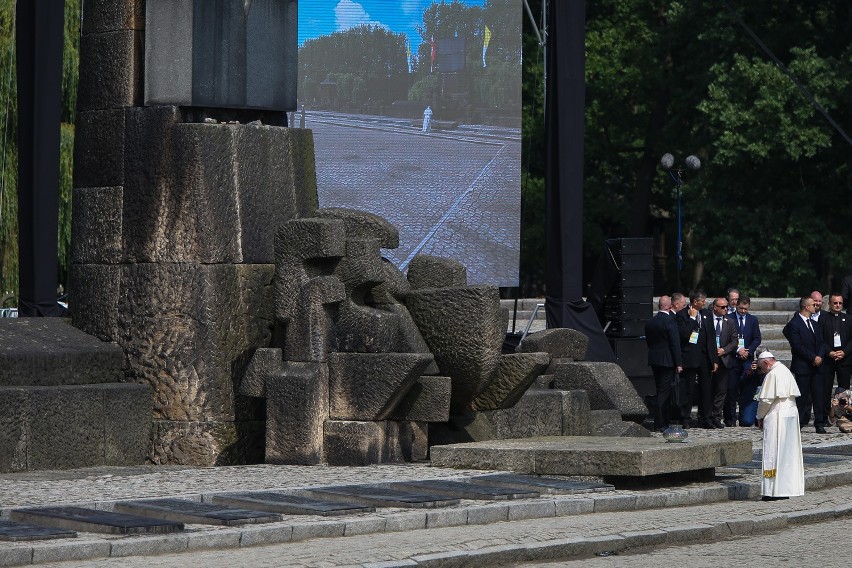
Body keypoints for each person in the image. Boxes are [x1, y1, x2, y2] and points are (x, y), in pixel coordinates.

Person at [755, 351, 804, 501]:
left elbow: (766, 401)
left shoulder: (773, 374)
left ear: (766, 363)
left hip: (777, 415)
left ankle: (772, 491)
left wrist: (759, 417)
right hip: (790, 413)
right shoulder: (785, 370)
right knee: (787, 454)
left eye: (761, 367)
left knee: (773, 452)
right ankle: (784, 489)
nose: (762, 371)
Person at [782, 296, 826, 432]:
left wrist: (820, 355)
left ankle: (819, 423)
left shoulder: (815, 323)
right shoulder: (794, 324)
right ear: (806, 307)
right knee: (802, 396)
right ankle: (798, 423)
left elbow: (822, 342)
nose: (816, 306)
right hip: (803, 366)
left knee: (819, 395)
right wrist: (813, 357)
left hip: (817, 366)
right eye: (813, 304)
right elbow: (797, 346)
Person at [676, 290, 719, 428]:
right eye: (702, 301)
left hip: (705, 358)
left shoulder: (706, 314)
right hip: (689, 357)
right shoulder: (682, 315)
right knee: (688, 389)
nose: (705, 303)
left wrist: (714, 359)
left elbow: (711, 338)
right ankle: (685, 418)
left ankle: (705, 417)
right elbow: (683, 335)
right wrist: (692, 319)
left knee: (706, 389)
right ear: (695, 302)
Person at [645, 296, 683, 431]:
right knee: (664, 393)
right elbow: (674, 344)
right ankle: (660, 423)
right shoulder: (670, 322)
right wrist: (679, 362)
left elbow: (649, 341)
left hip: (655, 360)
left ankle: (660, 421)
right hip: (667, 361)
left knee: (659, 389)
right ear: (669, 306)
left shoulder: (650, 322)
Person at [725, 295, 762, 426]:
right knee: (732, 389)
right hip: (733, 360)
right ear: (736, 306)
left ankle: (745, 416)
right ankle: (730, 418)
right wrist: (737, 350)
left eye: (745, 309)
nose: (743, 311)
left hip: (747, 359)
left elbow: (757, 338)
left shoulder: (753, 320)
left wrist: (749, 351)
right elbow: (727, 338)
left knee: (747, 389)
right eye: (741, 308)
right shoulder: (729, 318)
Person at [818, 294, 852, 421]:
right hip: (828, 359)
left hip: (845, 359)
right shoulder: (823, 319)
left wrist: (844, 352)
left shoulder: (849, 319)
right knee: (826, 389)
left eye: (840, 303)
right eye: (835, 303)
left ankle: (844, 415)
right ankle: (827, 415)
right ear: (830, 304)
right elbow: (819, 338)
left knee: (844, 390)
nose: (838, 305)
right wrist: (829, 352)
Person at [710, 297, 739, 428]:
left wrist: (724, 350)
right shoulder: (707, 319)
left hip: (724, 360)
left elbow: (734, 341)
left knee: (721, 391)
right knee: (707, 389)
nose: (725, 309)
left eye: (726, 307)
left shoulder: (730, 322)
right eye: (722, 307)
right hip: (709, 359)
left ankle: (716, 416)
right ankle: (705, 415)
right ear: (714, 307)